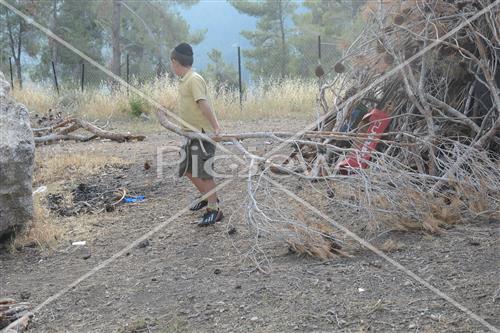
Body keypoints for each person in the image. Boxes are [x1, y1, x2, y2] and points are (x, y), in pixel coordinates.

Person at [170, 42, 223, 226]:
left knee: (204, 172)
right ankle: (208, 197)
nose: (172, 67)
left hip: (202, 135)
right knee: (186, 169)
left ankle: (214, 209)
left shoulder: (194, 79)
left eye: (172, 63)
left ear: (176, 62)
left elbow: (203, 103)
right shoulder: (184, 80)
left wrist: (215, 126)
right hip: (189, 135)